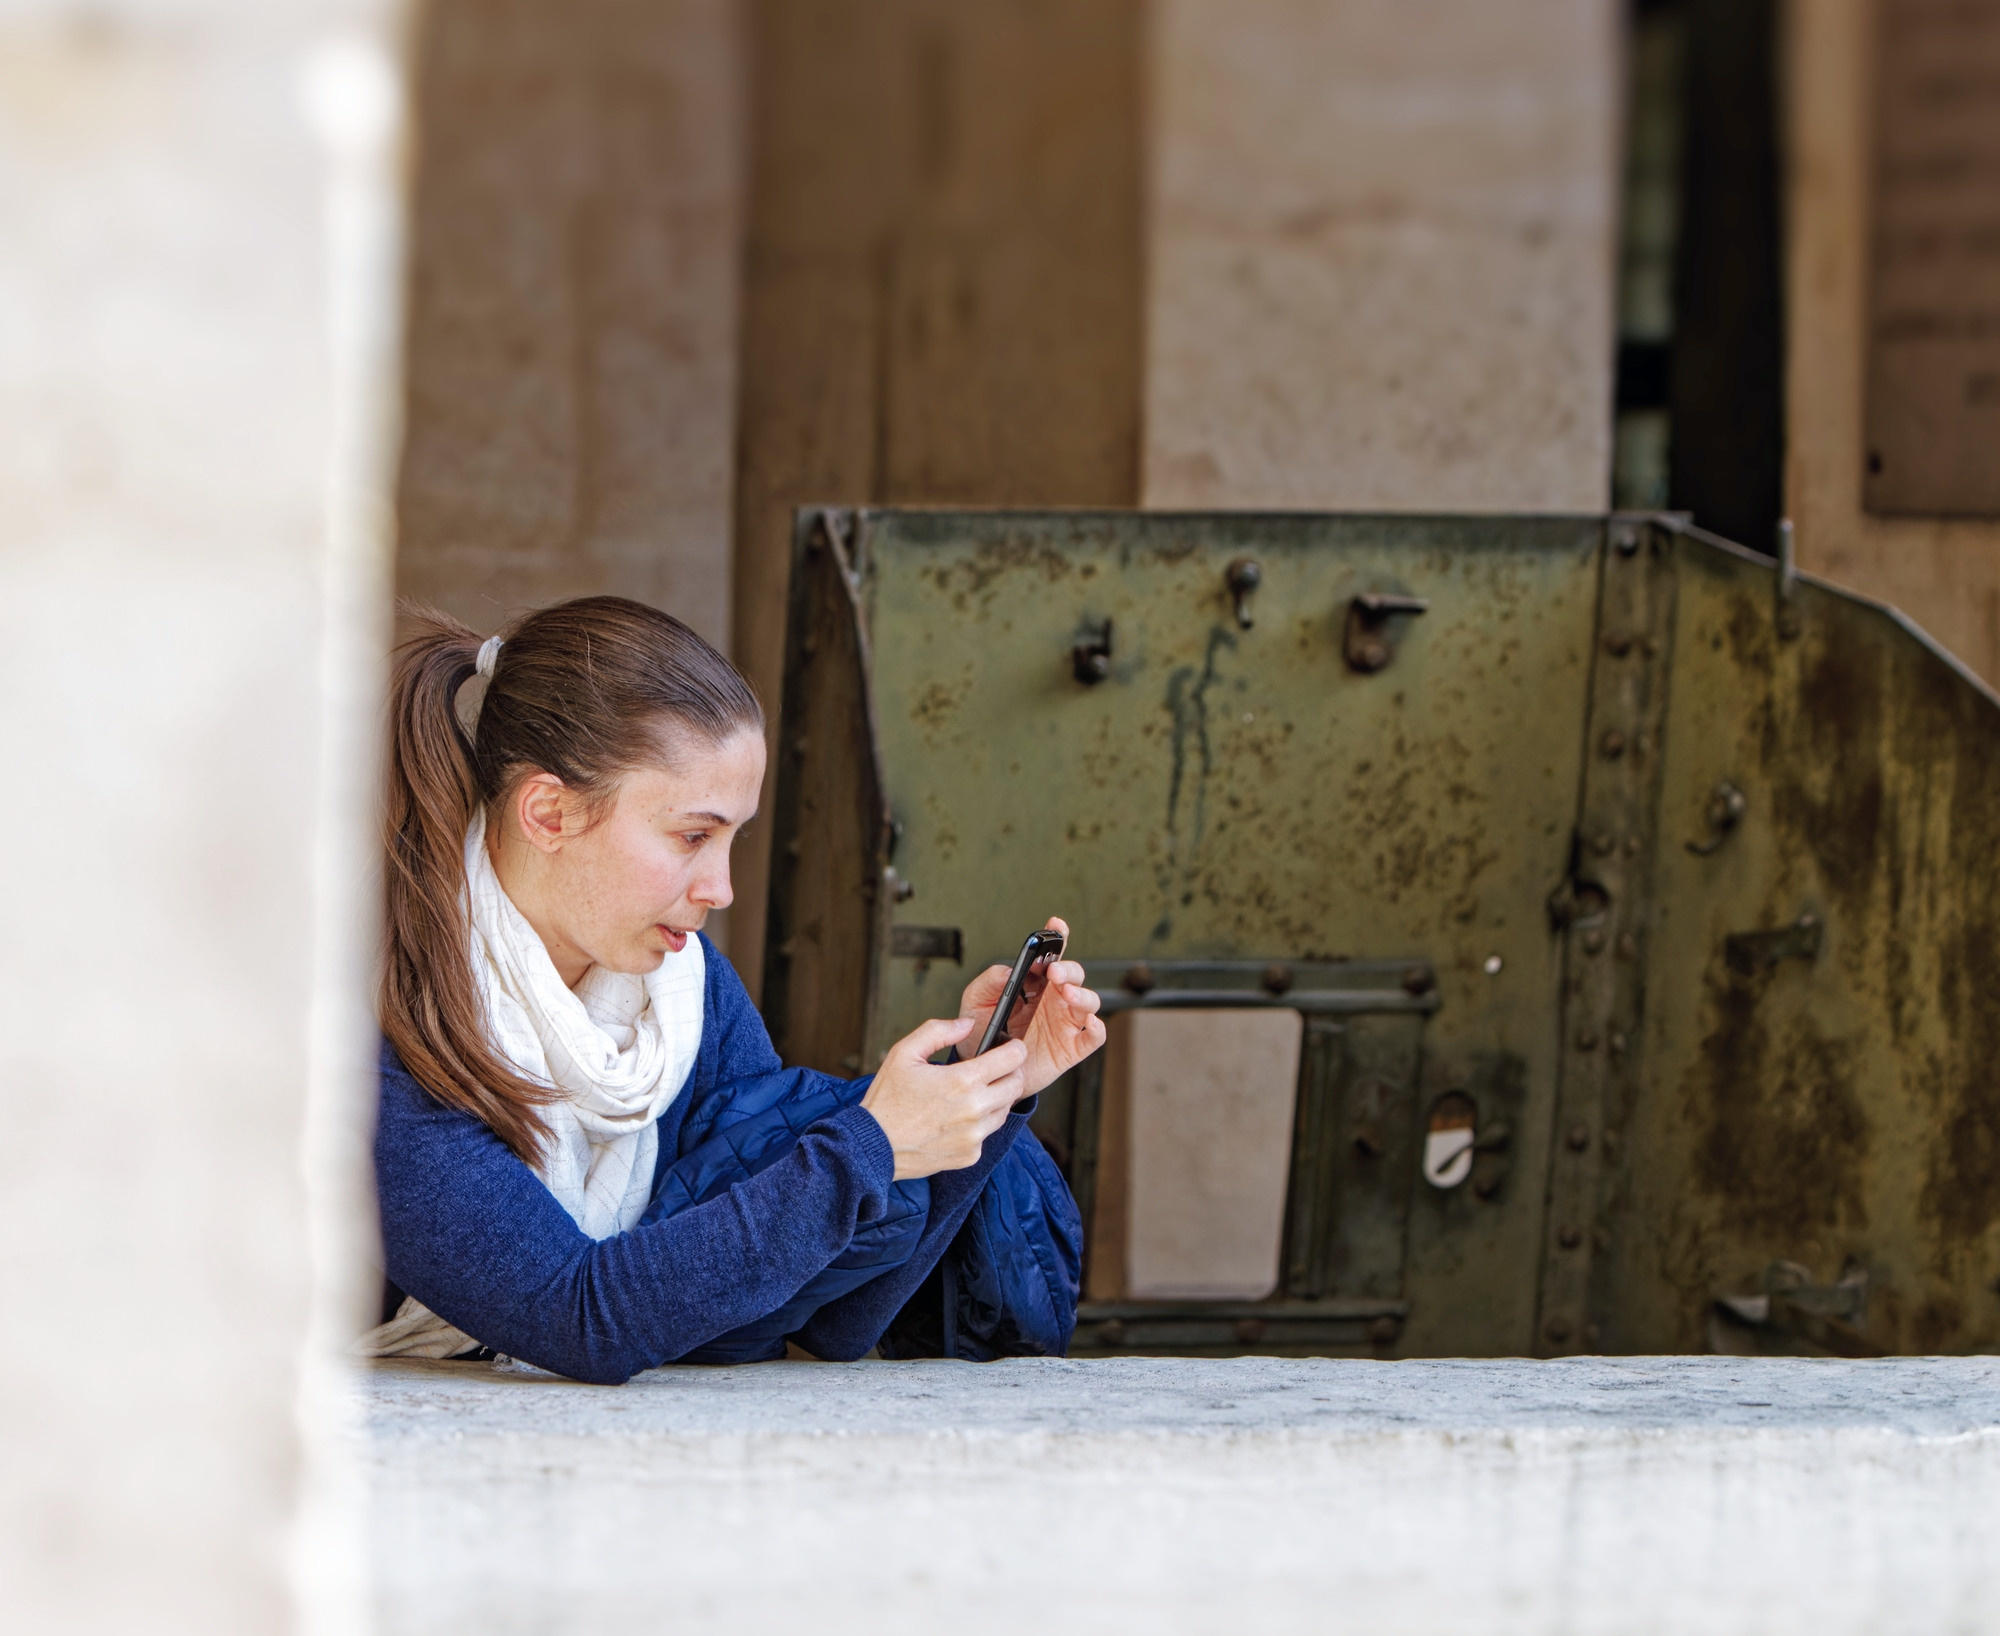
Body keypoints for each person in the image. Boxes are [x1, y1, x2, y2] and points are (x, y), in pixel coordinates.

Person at [359, 596, 1104, 1383]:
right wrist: (869, 1147)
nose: (721, 889)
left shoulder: (685, 991)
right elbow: (577, 1316)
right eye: (692, 835)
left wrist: (985, 1087)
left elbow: (830, 1315)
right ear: (549, 813)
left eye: (732, 839)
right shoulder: (384, 1023)